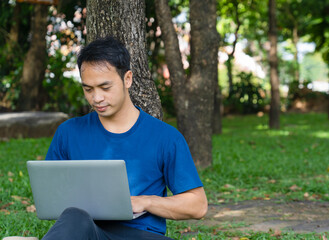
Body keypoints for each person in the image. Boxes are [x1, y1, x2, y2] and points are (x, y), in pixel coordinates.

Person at [42, 36, 208, 240]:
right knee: (74, 217)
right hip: (87, 231)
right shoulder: (68, 133)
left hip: (139, 235)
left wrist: (145, 202)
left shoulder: (166, 137)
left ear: (127, 79)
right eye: (88, 89)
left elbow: (197, 206)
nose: (97, 98)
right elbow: (51, 198)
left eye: (105, 87)